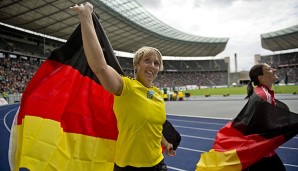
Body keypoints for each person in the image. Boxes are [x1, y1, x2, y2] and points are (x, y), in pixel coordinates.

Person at [71, 2, 176, 171]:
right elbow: (100, 67)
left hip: (158, 164)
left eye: (156, 63)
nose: (152, 66)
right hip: (128, 166)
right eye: (147, 61)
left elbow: (154, 128)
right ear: (137, 64)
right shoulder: (126, 87)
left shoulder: (157, 95)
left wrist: (166, 143)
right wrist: (86, 17)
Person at [243, 63, 286, 171]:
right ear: (261, 78)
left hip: (259, 149)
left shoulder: (261, 92)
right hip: (260, 151)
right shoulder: (263, 95)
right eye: (269, 69)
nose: (274, 70)